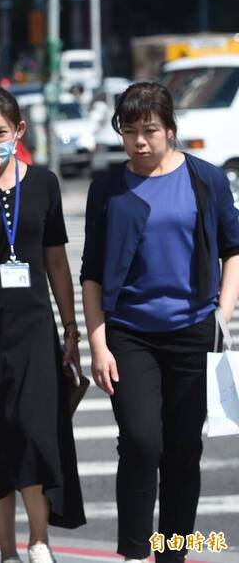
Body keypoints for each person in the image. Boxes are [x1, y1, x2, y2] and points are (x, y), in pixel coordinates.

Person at [81, 82, 239, 563]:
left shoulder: (205, 179)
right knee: (142, 441)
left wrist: (222, 313)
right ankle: (133, 551)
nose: (140, 142)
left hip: (193, 331)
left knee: (183, 450)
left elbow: (234, 249)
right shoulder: (107, 189)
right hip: (129, 333)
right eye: (129, 132)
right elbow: (90, 271)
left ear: (170, 129)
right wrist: (98, 343)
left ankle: (174, 553)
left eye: (149, 130)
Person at [0, 87, 85, 563]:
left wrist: (71, 329)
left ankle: (39, 539)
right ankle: (6, 551)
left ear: (19, 132)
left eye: (0, 133)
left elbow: (57, 262)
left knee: (34, 431)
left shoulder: (43, 183)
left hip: (32, 330)